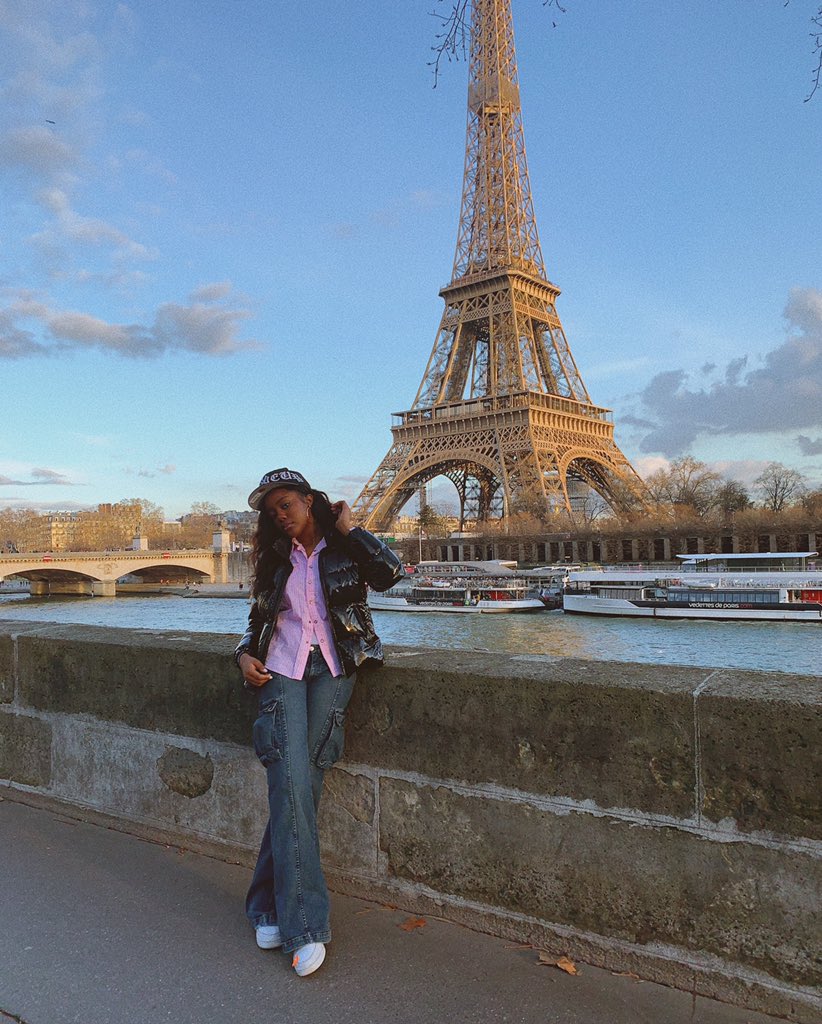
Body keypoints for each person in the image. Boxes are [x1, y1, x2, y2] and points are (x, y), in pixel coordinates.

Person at [235, 467, 403, 977]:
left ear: (309, 500)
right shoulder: (274, 556)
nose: (280, 517)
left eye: (286, 505)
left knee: (299, 788)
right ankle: (304, 925)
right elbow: (257, 621)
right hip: (280, 669)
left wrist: (352, 529)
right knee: (291, 784)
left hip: (334, 667)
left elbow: (391, 575)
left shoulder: (344, 545)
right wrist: (243, 656)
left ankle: (266, 905)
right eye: (272, 513)